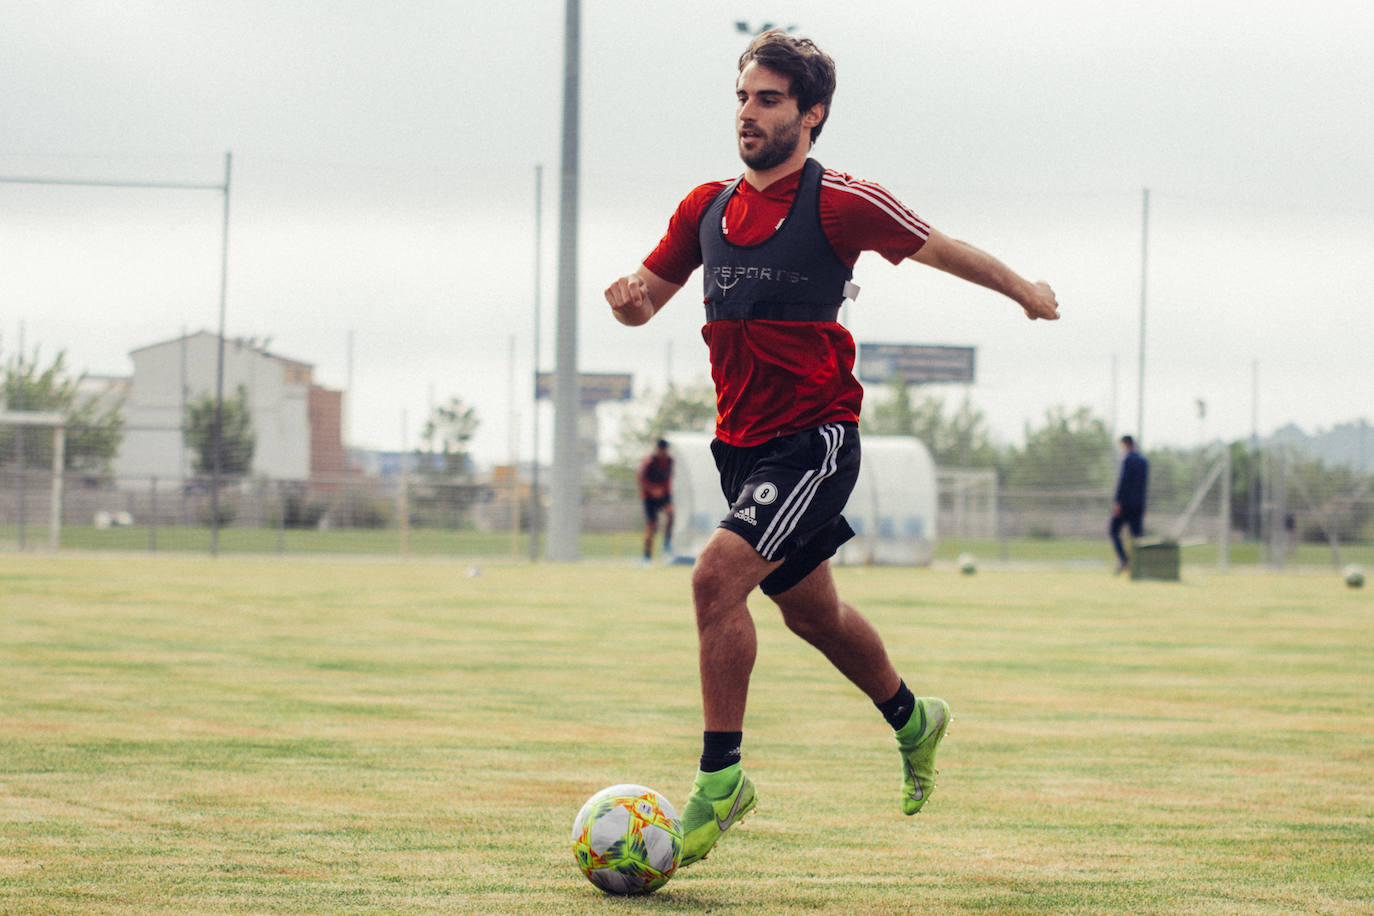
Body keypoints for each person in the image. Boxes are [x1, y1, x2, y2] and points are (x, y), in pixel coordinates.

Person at [603, 29, 1060, 867]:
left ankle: (719, 782)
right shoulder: (704, 209)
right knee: (813, 614)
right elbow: (647, 303)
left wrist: (1025, 290)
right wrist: (628, 300)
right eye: (742, 96)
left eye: (768, 99)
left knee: (713, 578)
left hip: (815, 440)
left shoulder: (840, 201)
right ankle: (914, 719)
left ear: (811, 115)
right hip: (740, 446)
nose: (748, 113)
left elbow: (942, 247)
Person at [1110, 435, 1149, 573]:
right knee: (1137, 537)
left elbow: (1124, 482)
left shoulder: (1127, 459)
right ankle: (1139, 566)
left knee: (1113, 531)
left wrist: (1118, 502)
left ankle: (1124, 559)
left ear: (1126, 444)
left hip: (1125, 504)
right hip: (1138, 504)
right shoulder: (1144, 461)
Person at [639, 438, 675, 561]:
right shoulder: (649, 462)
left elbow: (668, 478)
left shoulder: (670, 461)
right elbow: (642, 480)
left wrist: (665, 493)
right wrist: (653, 489)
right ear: (658, 450)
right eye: (662, 450)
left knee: (671, 514)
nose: (664, 453)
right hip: (649, 497)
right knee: (652, 526)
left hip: (664, 494)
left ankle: (667, 543)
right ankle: (647, 555)